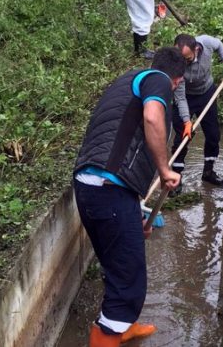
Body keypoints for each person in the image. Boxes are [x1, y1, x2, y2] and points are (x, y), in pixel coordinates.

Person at [72, 47, 185, 346]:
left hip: (92, 187)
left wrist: (135, 219)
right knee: (129, 283)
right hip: (107, 190)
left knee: (116, 264)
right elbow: (151, 117)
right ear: (177, 81)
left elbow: (122, 148)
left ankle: (124, 328)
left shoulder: (128, 80)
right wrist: (164, 169)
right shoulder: (159, 80)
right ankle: (108, 333)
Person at [169, 33, 223, 196]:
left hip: (207, 93)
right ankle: (176, 178)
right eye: (180, 58)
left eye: (186, 58)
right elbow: (179, 97)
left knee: (213, 134)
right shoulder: (176, 65)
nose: (182, 62)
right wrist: (187, 121)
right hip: (186, 97)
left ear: (196, 49)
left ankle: (208, 172)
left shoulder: (206, 43)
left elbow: (219, 44)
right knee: (181, 138)